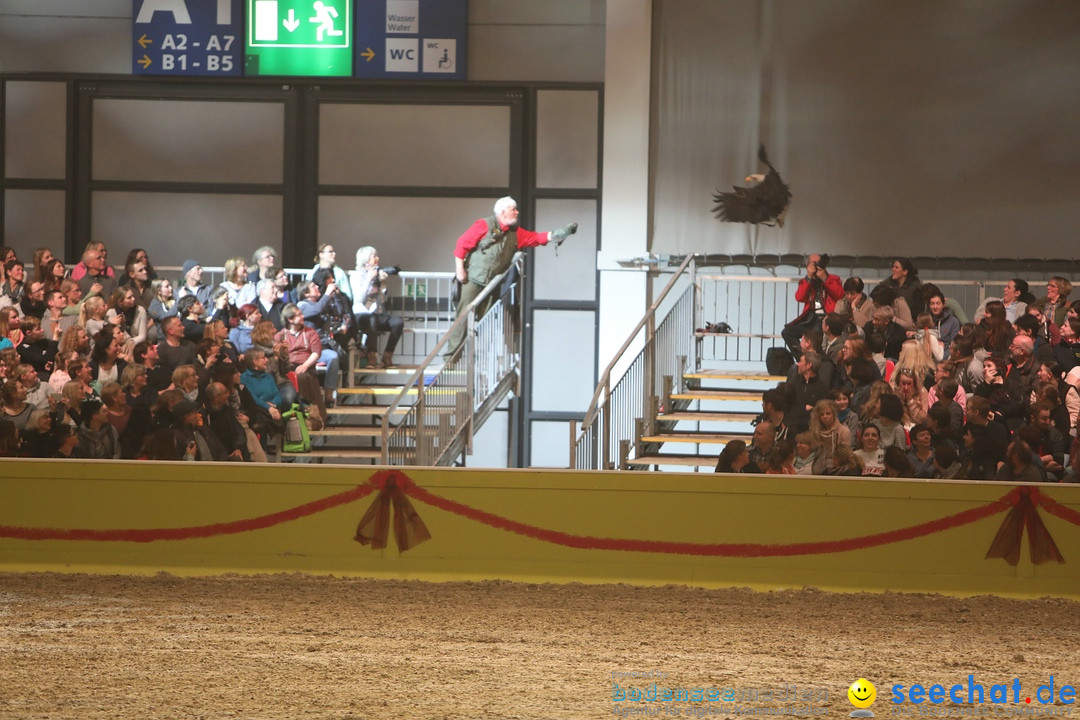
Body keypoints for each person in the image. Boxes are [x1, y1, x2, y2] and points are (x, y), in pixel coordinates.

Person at [445, 196, 577, 358]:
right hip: (472, 281)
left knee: (483, 321)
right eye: (513, 209)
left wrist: (559, 234)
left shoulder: (516, 234)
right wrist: (460, 271)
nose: (517, 212)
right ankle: (450, 360)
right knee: (463, 319)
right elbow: (462, 243)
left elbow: (536, 238)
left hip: (491, 285)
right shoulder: (484, 225)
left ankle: (475, 357)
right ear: (502, 212)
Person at [351, 246, 405, 369]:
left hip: (378, 313)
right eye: (373, 256)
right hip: (361, 315)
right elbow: (359, 299)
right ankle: (372, 357)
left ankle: (387, 356)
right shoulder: (356, 275)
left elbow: (382, 299)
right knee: (372, 319)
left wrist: (383, 283)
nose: (377, 258)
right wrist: (369, 279)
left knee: (397, 322)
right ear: (365, 259)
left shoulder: (378, 273)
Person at [782, 254, 843, 358]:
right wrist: (809, 277)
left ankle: (814, 359)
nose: (815, 266)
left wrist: (824, 278)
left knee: (815, 333)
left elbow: (840, 295)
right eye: (813, 263)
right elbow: (799, 297)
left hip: (826, 318)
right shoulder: (806, 281)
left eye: (818, 263)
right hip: (810, 319)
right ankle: (802, 358)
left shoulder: (832, 279)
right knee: (787, 332)